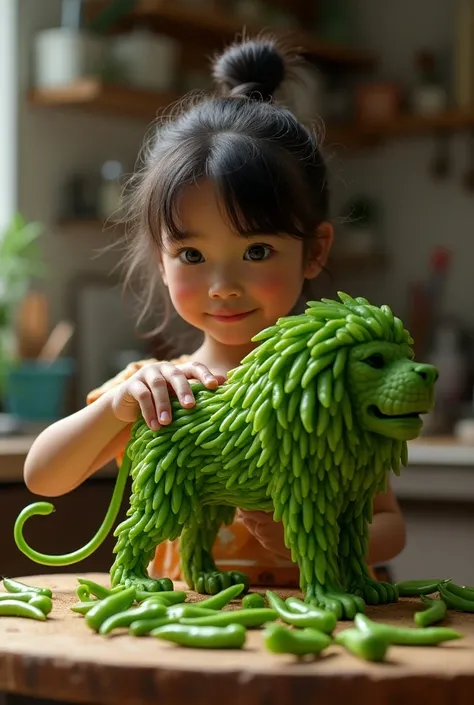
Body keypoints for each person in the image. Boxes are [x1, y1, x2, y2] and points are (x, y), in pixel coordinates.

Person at [24, 36, 406, 589]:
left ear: (315, 251)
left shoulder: (337, 390)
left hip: (323, 642)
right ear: (161, 258)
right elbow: (42, 476)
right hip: (188, 648)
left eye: (256, 252)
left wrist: (302, 537)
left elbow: (390, 526)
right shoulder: (155, 392)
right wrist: (118, 404)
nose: (223, 286)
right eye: (192, 255)